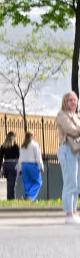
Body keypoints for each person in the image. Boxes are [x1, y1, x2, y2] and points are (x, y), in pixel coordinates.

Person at [57, 92, 80, 224]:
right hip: (67, 150)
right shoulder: (62, 115)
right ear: (65, 102)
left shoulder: (77, 116)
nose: (73, 102)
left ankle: (75, 212)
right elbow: (71, 130)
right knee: (70, 182)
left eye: (75, 100)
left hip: (77, 150)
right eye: (70, 100)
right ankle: (69, 214)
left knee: (77, 184)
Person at [16, 131, 43, 201]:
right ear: (33, 136)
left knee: (27, 182)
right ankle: (31, 196)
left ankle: (27, 195)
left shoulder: (23, 146)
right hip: (33, 165)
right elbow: (38, 157)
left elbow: (20, 158)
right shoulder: (35, 145)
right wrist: (41, 166)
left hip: (25, 166)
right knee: (38, 182)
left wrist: (20, 168)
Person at [0, 132, 20, 200]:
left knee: (8, 183)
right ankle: (12, 198)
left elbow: (0, 158)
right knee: (13, 183)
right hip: (13, 165)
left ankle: (8, 197)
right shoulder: (15, 146)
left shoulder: (3, 146)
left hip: (6, 165)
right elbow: (19, 156)